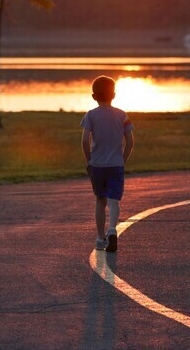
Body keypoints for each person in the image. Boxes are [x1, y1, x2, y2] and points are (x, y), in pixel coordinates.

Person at [80, 76, 134, 253]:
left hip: (97, 165)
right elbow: (130, 141)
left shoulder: (90, 115)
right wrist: (123, 159)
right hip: (116, 164)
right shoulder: (122, 115)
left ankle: (100, 237)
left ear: (94, 96)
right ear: (114, 95)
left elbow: (84, 141)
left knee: (100, 200)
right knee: (114, 200)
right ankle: (112, 230)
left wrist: (89, 160)